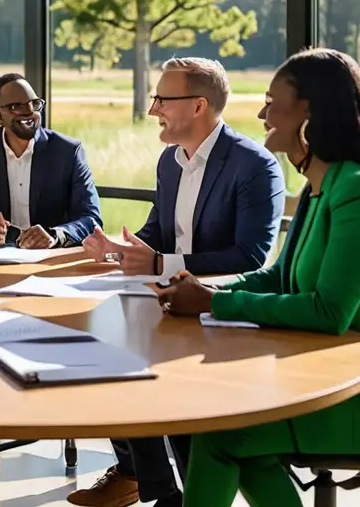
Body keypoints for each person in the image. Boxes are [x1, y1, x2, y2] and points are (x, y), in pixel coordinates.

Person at [155, 48, 360, 507]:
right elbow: (279, 275)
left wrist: (213, 303)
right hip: (316, 376)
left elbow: (329, 310)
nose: (261, 113)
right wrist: (205, 290)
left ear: (309, 113)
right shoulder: (320, 186)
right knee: (231, 440)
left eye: (271, 101)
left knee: (221, 438)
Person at [73, 57, 285, 507]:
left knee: (163, 385)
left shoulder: (254, 167)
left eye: (162, 99)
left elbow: (249, 257)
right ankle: (161, 491)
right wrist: (117, 247)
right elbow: (158, 232)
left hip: (221, 314)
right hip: (169, 306)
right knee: (110, 360)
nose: (154, 111)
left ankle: (190, 493)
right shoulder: (170, 161)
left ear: (198, 106)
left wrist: (159, 264)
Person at [0, 73, 101, 248]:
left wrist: (56, 235)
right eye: (16, 106)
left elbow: (91, 218)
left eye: (34, 104)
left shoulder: (68, 151)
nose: (30, 112)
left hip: (50, 261)